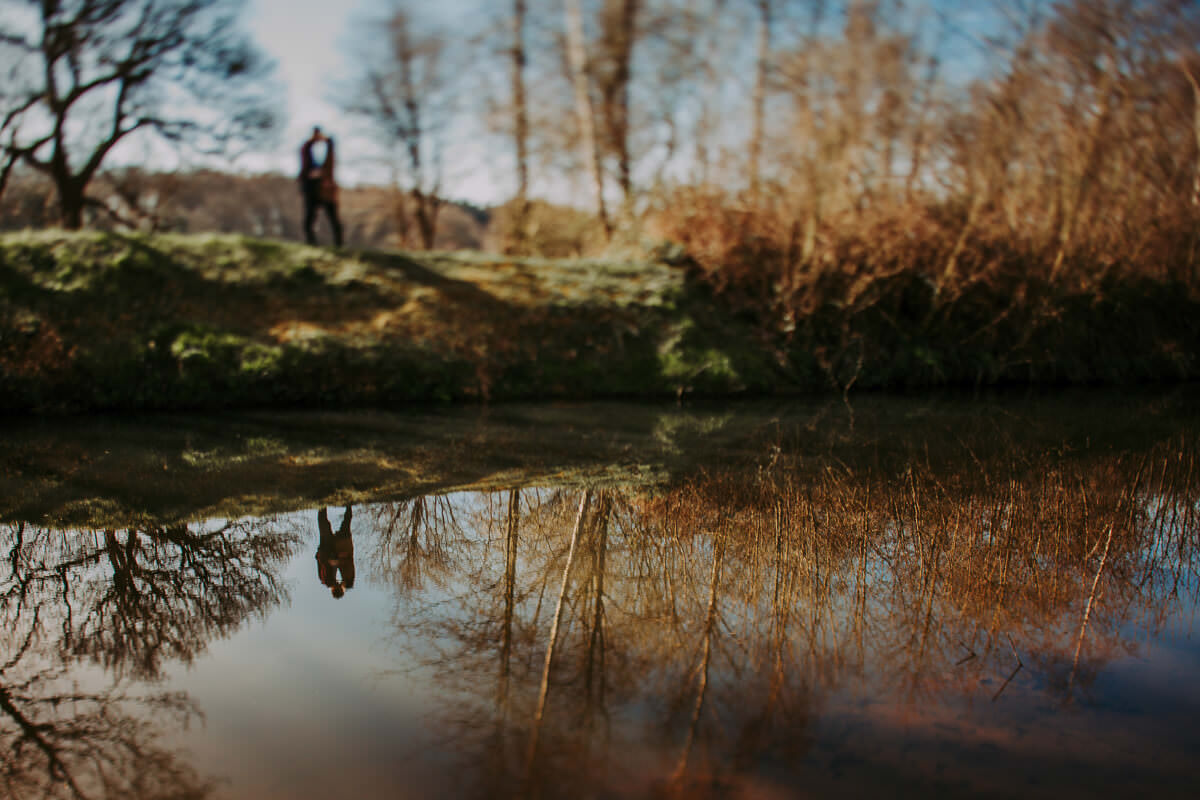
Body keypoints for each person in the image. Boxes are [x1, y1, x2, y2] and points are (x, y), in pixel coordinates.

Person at [298, 126, 343, 247]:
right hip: (311, 188)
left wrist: (326, 140)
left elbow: (331, 155)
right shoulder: (308, 149)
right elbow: (304, 151)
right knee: (310, 217)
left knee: (333, 218)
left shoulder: (327, 149)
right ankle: (311, 243)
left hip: (326, 189)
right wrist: (313, 140)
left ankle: (339, 244)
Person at [316, 506, 355, 599]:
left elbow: (321, 560)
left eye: (337, 588)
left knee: (324, 523)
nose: (338, 585)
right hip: (339, 547)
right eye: (340, 588)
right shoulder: (346, 579)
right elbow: (348, 560)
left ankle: (322, 503)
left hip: (326, 548)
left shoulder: (326, 580)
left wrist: (330, 560)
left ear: (333, 589)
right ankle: (348, 504)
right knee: (345, 523)